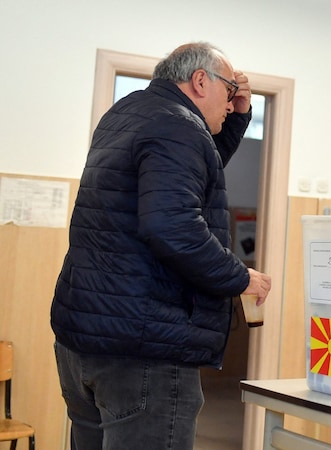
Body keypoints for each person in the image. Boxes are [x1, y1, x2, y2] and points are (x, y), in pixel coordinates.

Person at [50, 42, 272, 450]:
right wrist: (239, 277)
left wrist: (239, 117)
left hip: (85, 339)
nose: (232, 99)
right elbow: (173, 227)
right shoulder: (179, 128)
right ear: (200, 80)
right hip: (142, 348)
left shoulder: (129, 113)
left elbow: (192, 170)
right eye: (229, 91)